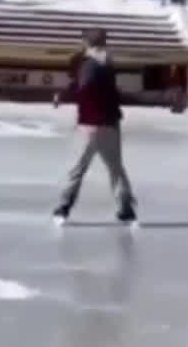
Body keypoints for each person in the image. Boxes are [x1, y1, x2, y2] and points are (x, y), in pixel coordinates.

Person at [51, 28, 137, 224]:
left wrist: (65, 96)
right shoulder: (108, 62)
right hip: (110, 124)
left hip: (90, 124)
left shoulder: (87, 64)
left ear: (86, 43)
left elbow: (82, 87)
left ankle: (63, 207)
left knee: (78, 168)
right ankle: (126, 208)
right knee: (115, 168)